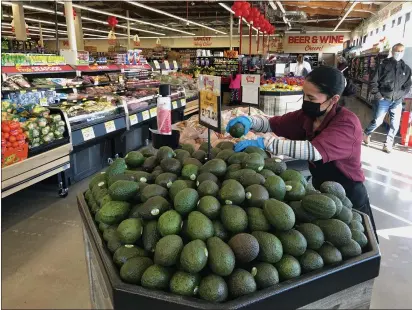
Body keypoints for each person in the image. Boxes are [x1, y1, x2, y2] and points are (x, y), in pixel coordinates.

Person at [226, 66, 377, 233]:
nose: (305, 100)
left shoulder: (347, 123)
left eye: (311, 97)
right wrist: (250, 121)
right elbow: (274, 123)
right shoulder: (307, 116)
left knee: (357, 242)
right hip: (321, 192)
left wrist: (265, 143)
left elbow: (314, 151)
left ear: (333, 99)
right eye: (304, 94)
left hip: (349, 194)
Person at [363, 43, 412, 153]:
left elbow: (407, 85)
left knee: (395, 124)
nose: (398, 53)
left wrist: (401, 95)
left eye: (401, 51)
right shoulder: (383, 65)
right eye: (396, 51)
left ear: (403, 52)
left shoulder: (406, 69)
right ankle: (366, 133)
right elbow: (373, 81)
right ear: (392, 51)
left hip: (397, 101)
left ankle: (388, 144)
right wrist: (378, 95)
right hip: (383, 99)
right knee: (377, 121)